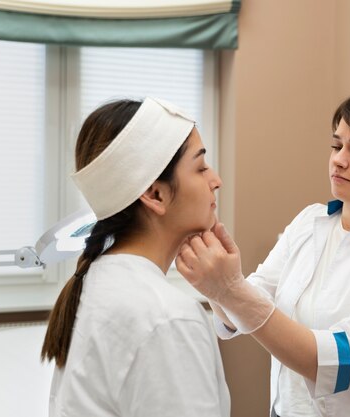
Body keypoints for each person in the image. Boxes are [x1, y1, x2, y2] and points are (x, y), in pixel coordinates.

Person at [177, 88, 350, 417]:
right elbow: (249, 304)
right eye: (336, 145)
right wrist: (215, 285)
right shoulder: (309, 220)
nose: (339, 158)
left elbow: (345, 361)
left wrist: (228, 289)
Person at [41, 98, 229, 417]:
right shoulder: (168, 318)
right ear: (155, 194)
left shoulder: (95, 279)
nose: (216, 180)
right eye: (200, 167)